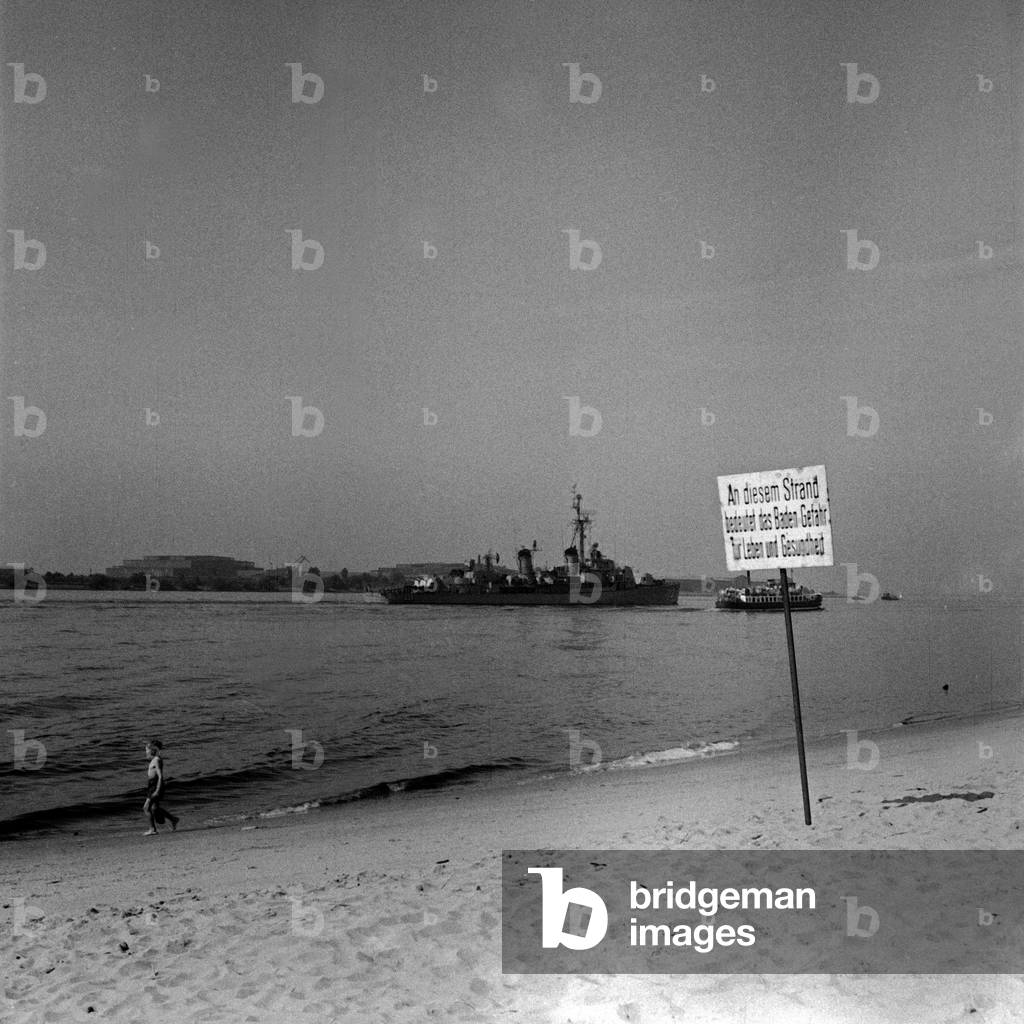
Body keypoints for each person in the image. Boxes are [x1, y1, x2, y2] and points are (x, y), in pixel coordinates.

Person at [143, 740, 179, 835]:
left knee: (146, 808)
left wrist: (157, 789)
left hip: (155, 786)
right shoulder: (155, 759)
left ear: (152, 750)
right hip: (152, 785)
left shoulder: (156, 760)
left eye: (147, 750)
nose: (146, 752)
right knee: (155, 808)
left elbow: (160, 776)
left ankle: (152, 829)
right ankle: (173, 819)